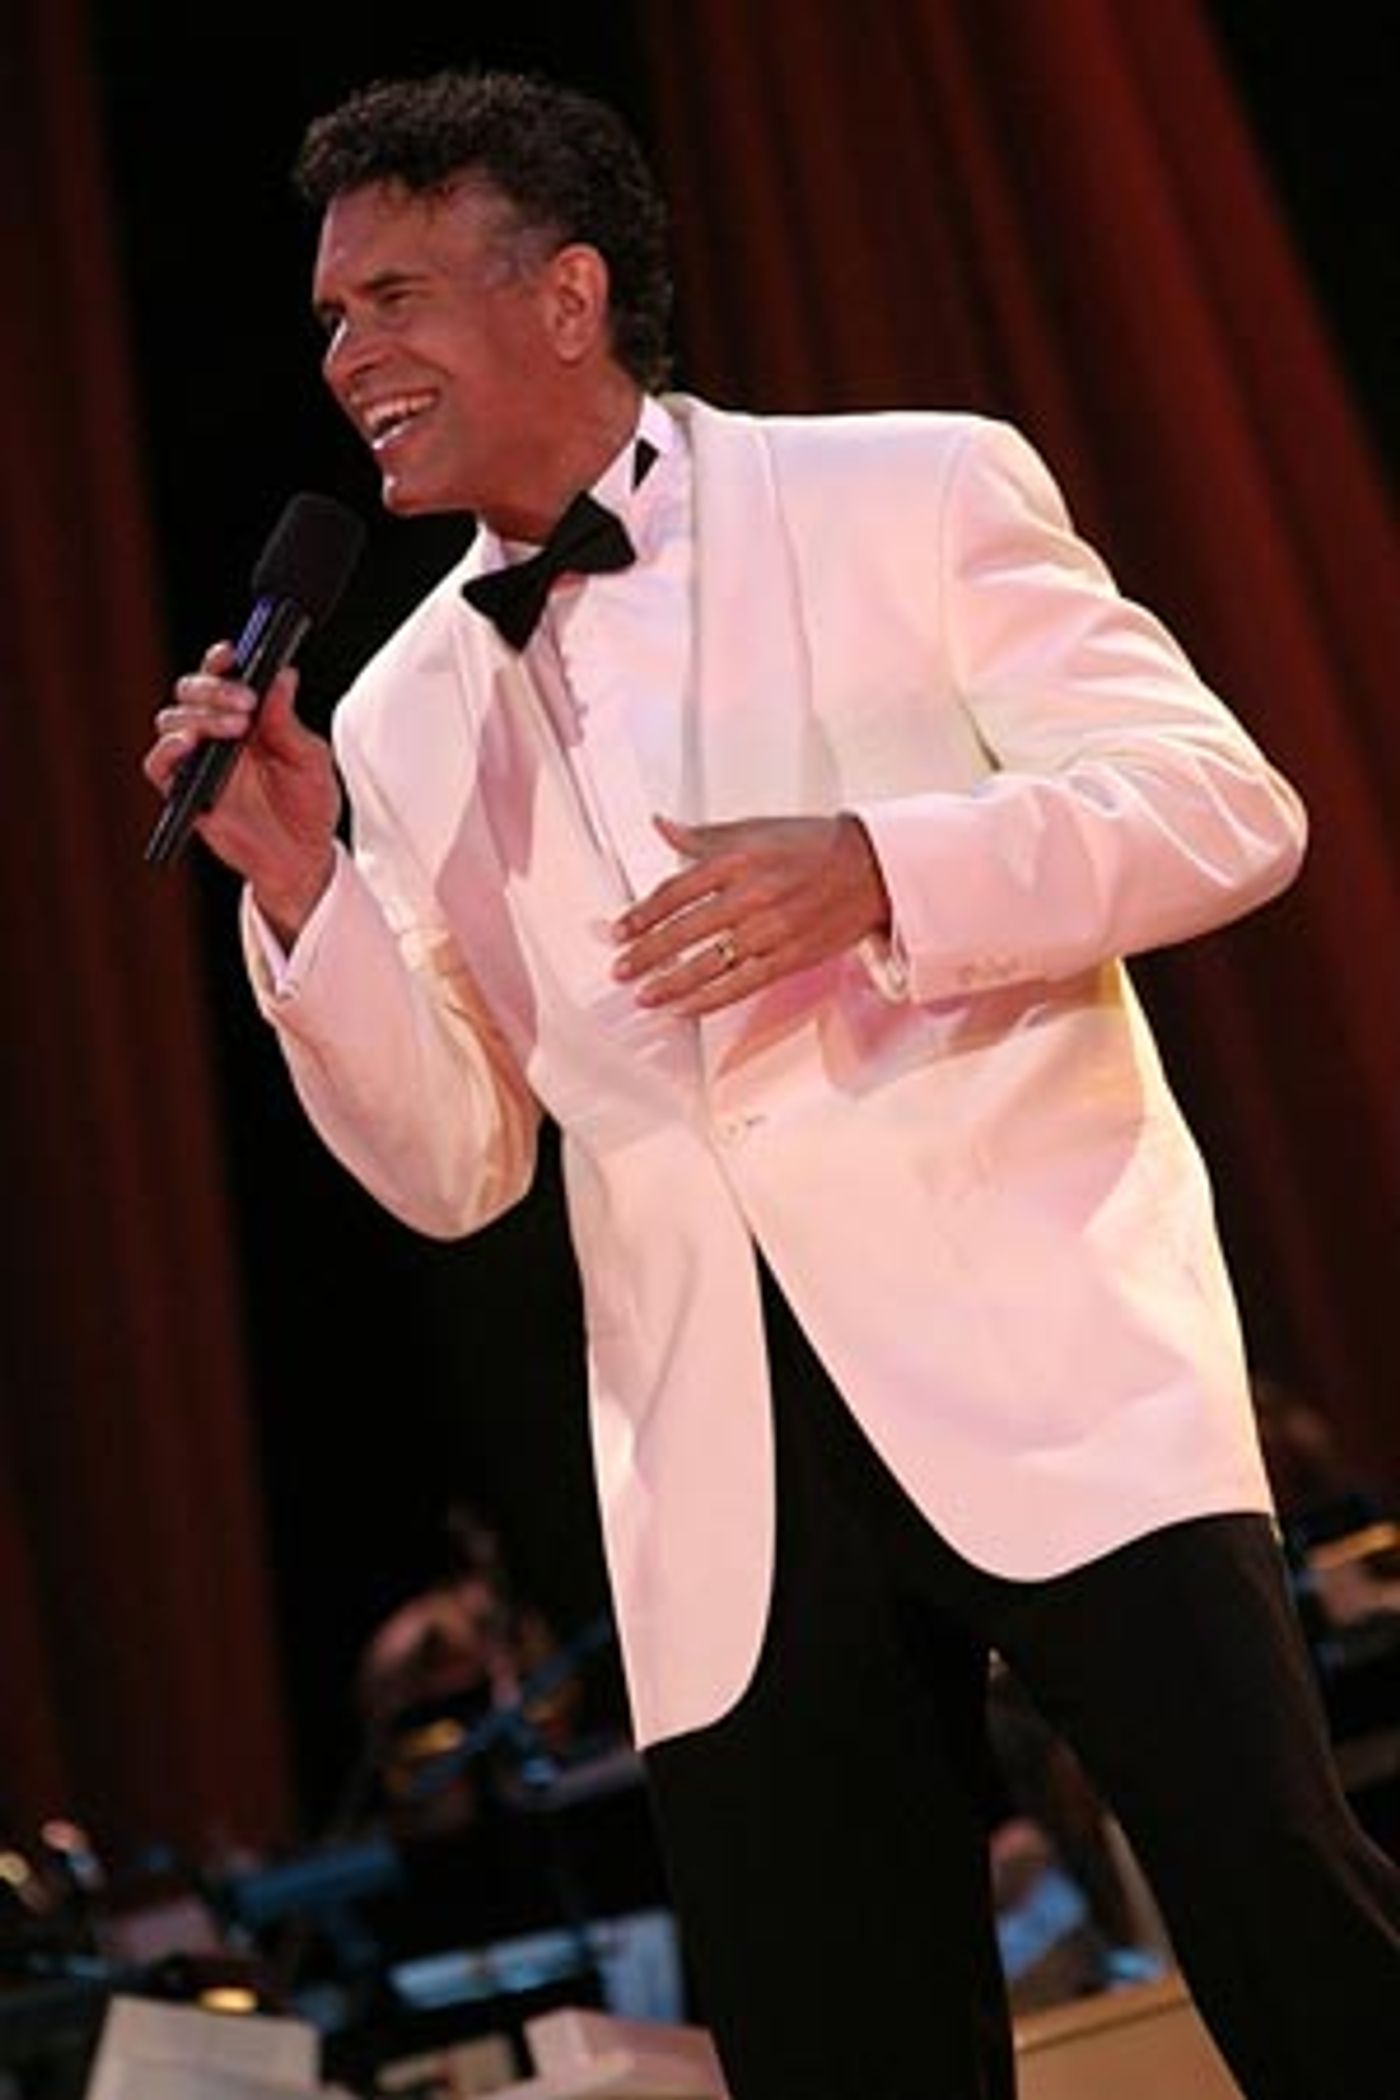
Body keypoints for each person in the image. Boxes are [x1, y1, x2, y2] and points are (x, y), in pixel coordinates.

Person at [143, 68, 1400, 2098]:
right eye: (327, 320)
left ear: (566, 296)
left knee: (1293, 1935)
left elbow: (1224, 807)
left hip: (1048, 1365)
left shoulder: (909, 492)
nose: (345, 356)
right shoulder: (392, 710)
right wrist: (305, 898)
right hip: (718, 1474)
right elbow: (458, 1166)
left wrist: (883, 868)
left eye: (391, 298)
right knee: (840, 2048)